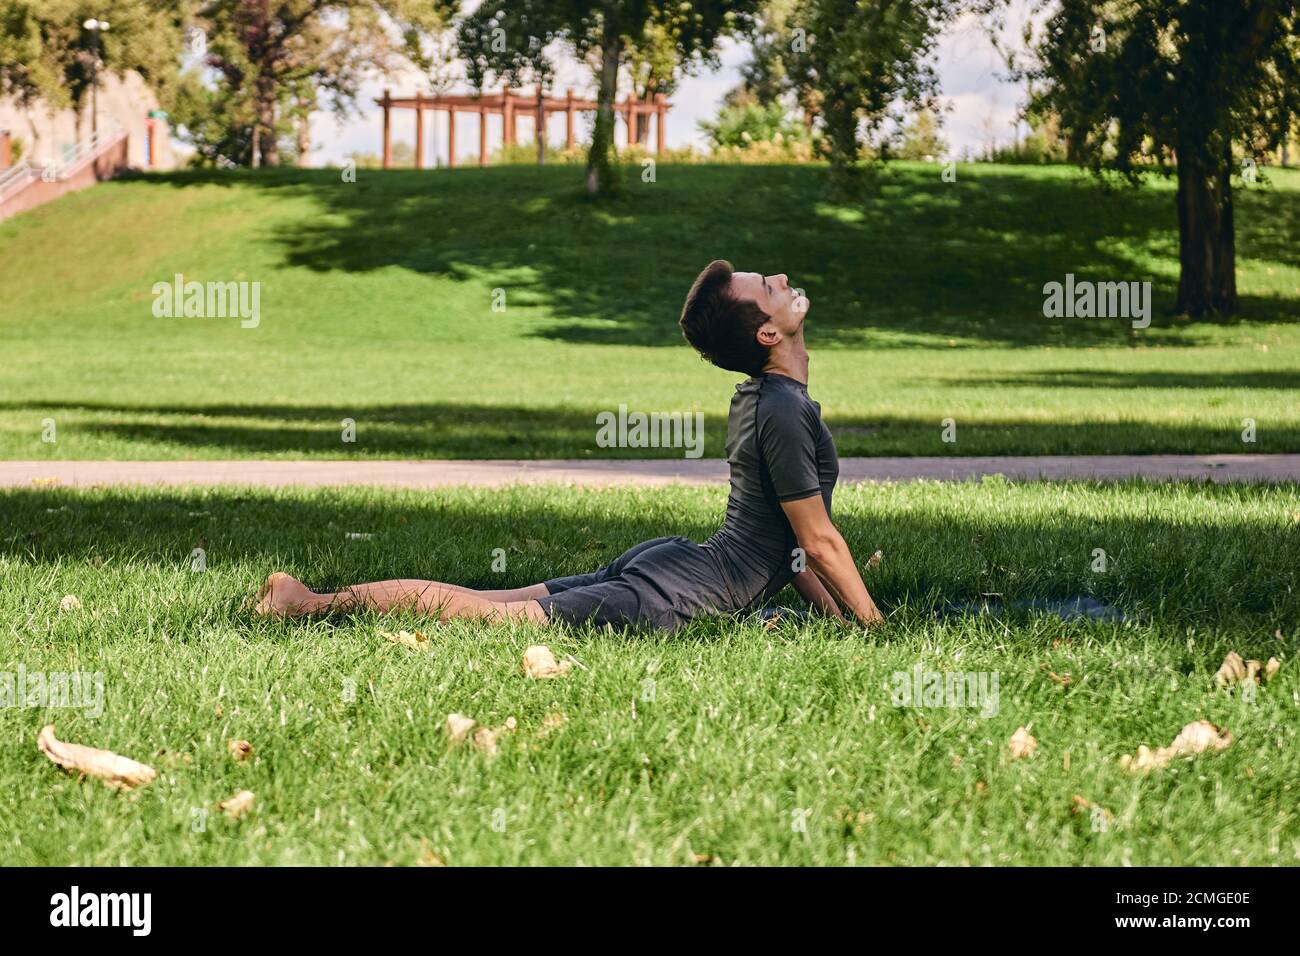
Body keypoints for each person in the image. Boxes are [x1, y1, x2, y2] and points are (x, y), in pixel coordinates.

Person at [254, 260, 884, 631]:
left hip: (681, 564)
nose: (778, 276)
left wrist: (836, 617)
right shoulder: (781, 406)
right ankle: (305, 604)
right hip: (678, 592)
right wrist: (876, 630)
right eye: (767, 287)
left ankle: (307, 601)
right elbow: (816, 540)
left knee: (493, 601)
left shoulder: (765, 400)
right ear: (770, 331)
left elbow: (793, 544)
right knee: (492, 617)